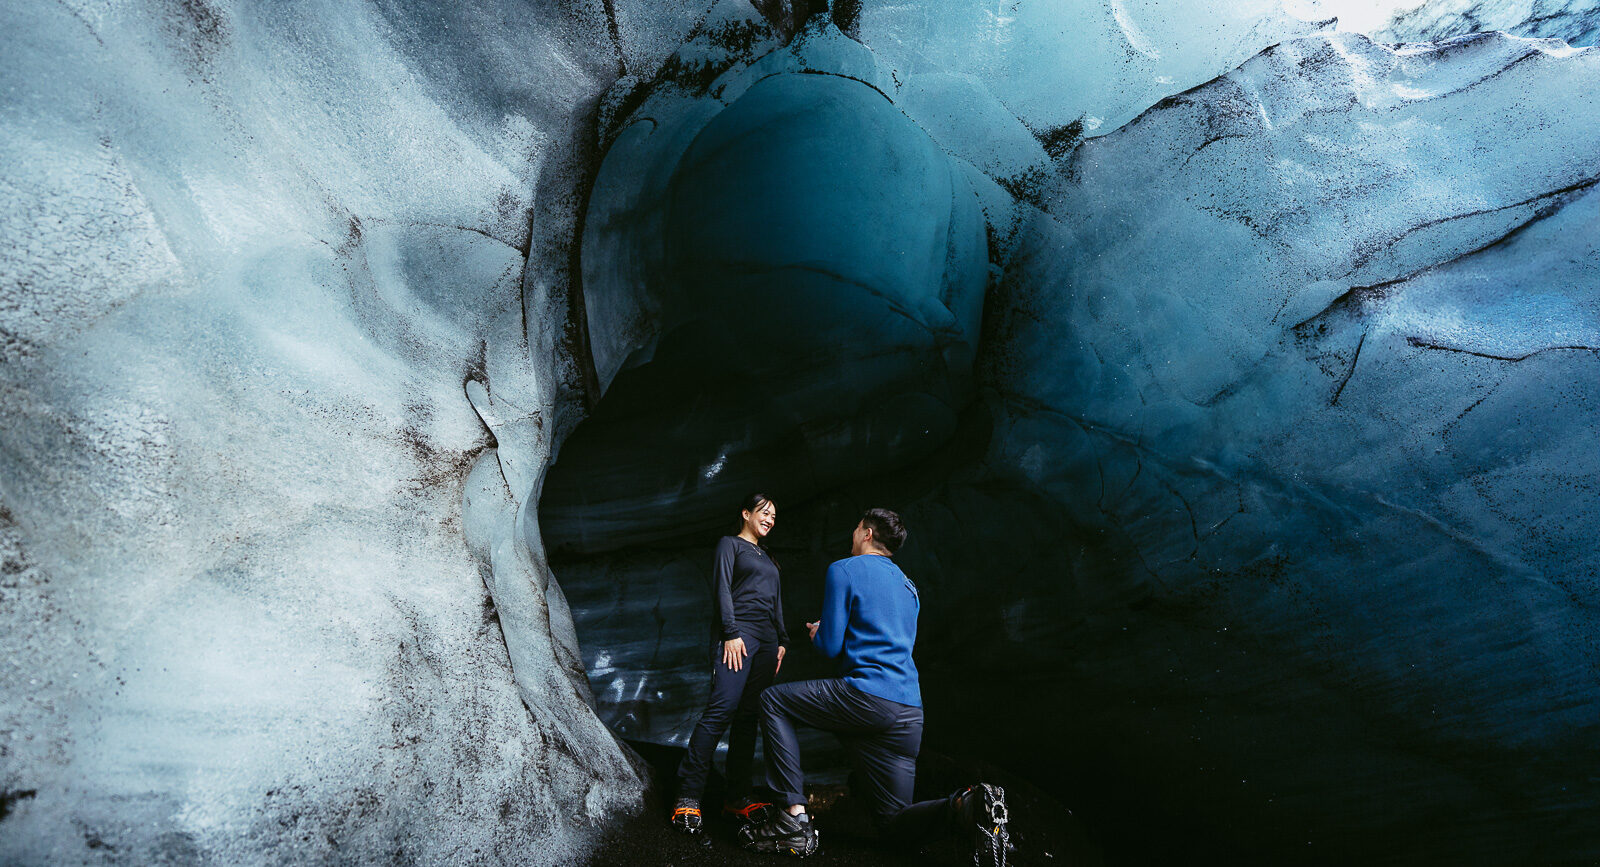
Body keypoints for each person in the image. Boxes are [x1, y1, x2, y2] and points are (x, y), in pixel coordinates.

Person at [739, 508, 1011, 864]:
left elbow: (832, 647)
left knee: (774, 701)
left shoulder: (844, 570)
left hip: (866, 699)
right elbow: (890, 645)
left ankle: (792, 817)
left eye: (856, 528)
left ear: (866, 534)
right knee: (895, 822)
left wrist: (820, 632)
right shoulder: (909, 588)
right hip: (908, 714)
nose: (853, 534)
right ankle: (967, 803)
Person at [670, 493, 790, 836]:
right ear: (745, 513)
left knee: (749, 716)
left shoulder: (767, 557)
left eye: (774, 515)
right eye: (764, 512)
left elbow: (776, 602)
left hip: (767, 641)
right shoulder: (730, 545)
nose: (769, 518)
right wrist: (731, 632)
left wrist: (783, 641)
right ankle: (688, 794)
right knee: (721, 709)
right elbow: (721, 589)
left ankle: (737, 796)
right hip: (739, 636)